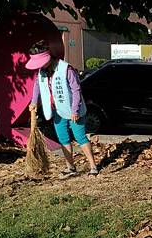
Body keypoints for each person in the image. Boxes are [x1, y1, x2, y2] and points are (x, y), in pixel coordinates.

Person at [26, 41, 99, 177]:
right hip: (57, 110)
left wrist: (75, 110)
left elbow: (76, 90)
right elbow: (37, 86)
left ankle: (93, 167)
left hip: (73, 111)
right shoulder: (42, 71)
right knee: (63, 138)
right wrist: (34, 101)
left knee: (80, 137)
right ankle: (70, 167)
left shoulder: (66, 69)